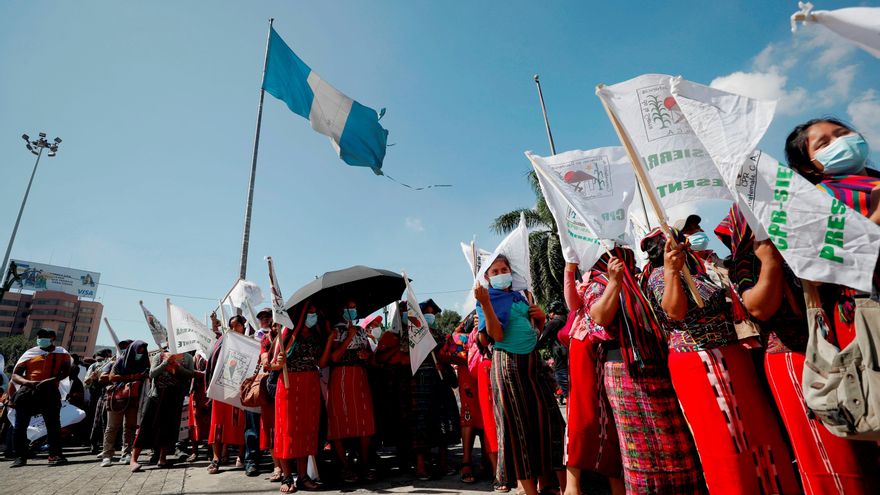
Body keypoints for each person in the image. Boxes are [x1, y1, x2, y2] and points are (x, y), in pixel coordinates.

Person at [716, 205, 878, 493]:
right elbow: (759, 307)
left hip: (835, 349)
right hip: (794, 362)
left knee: (860, 438)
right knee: (828, 451)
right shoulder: (746, 261)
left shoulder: (802, 243)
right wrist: (771, 260)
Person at [641, 228, 800, 494]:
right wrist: (671, 272)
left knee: (759, 431)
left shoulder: (701, 267)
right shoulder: (659, 276)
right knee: (726, 441)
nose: (686, 241)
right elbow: (676, 312)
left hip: (732, 355)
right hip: (699, 363)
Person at [580, 248, 704, 494]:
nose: (625, 256)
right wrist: (614, 282)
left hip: (658, 365)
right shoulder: (596, 284)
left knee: (676, 445)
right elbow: (600, 316)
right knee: (641, 450)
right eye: (618, 252)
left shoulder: (642, 278)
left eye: (626, 252)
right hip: (625, 372)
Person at [784, 117, 880, 347]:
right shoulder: (818, 200)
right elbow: (816, 273)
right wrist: (876, 218)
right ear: (808, 166)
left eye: (842, 133)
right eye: (824, 144)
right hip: (868, 315)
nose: (841, 142)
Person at [475, 255, 565, 495]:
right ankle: (530, 490)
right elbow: (497, 336)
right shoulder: (486, 299)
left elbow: (533, 332)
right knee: (518, 428)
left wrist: (542, 318)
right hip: (508, 365)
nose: (501, 273)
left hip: (533, 363)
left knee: (548, 420)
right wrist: (484, 304)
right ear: (487, 277)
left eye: (504, 269)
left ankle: (550, 484)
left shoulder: (521, 295)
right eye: (495, 271)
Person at [562, 262, 623, 495]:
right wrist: (569, 268)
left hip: (600, 350)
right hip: (582, 350)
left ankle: (613, 485)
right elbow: (573, 303)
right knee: (581, 415)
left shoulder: (611, 270)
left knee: (605, 416)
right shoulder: (589, 276)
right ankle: (572, 487)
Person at [319, 300, 376, 483]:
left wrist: (366, 356)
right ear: (341, 310)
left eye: (354, 307)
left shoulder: (360, 330)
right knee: (339, 422)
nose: (353, 310)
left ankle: (365, 465)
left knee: (365, 422)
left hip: (360, 379)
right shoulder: (335, 332)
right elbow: (333, 357)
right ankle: (345, 467)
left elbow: (370, 355)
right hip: (341, 379)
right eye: (349, 307)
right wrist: (348, 338)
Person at [270, 302, 323, 493]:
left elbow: (321, 361)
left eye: (315, 313)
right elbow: (271, 365)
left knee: (306, 431)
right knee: (287, 430)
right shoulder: (285, 336)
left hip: (310, 386)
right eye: (309, 313)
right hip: (289, 386)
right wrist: (279, 362)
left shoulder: (317, 336)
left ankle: (302, 477)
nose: (312, 316)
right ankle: (286, 477)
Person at [410, 299, 460, 481]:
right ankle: (421, 465)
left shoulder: (439, 334)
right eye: (427, 312)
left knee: (443, 420)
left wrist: (444, 360)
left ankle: (443, 463)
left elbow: (448, 354)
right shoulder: (413, 336)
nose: (431, 315)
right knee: (421, 422)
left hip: (441, 381)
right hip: (421, 381)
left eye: (433, 312)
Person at [9, 329, 71, 467]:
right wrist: (28, 383)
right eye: (39, 337)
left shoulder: (62, 353)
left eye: (44, 337)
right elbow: (15, 375)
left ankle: (55, 454)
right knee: (20, 426)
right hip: (28, 391)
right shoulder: (30, 353)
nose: (41, 339)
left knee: (53, 425)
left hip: (50, 392)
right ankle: (20, 456)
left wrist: (52, 380)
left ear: (53, 338)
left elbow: (66, 371)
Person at [130, 349, 194, 472]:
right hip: (156, 397)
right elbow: (152, 374)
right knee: (146, 427)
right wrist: (165, 363)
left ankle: (162, 458)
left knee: (168, 428)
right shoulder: (159, 356)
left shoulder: (187, 358)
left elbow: (190, 375)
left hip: (174, 397)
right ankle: (134, 460)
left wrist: (177, 367)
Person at [443, 313, 485, 484]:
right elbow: (446, 350)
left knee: (482, 419)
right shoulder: (462, 337)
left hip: (480, 378)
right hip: (469, 380)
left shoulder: (486, 329)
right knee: (469, 418)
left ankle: (481, 460)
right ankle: (468, 462)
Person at [206, 315, 247, 474]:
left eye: (237, 325)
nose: (234, 329)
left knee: (240, 423)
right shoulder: (223, 341)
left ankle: (241, 455)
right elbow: (213, 361)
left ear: (244, 326)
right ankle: (216, 459)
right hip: (221, 388)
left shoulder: (250, 343)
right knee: (218, 423)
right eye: (231, 326)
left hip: (240, 390)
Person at [101, 340, 149, 467]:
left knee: (130, 427)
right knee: (112, 427)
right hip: (117, 398)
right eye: (138, 351)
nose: (140, 354)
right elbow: (112, 377)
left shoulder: (144, 362)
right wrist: (133, 377)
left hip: (134, 398)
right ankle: (107, 455)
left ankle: (126, 453)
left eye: (142, 352)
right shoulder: (121, 361)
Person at [537, 301, 569, 404]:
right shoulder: (568, 319)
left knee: (563, 381)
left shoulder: (554, 322)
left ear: (553, 312)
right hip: (570, 354)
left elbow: (541, 340)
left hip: (560, 356)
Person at [187, 350, 211, 463]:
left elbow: (210, 371)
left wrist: (195, 373)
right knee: (194, 423)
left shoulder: (208, 352)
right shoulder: (192, 356)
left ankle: (211, 451)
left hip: (206, 392)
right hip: (195, 393)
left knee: (209, 422)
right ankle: (194, 451)